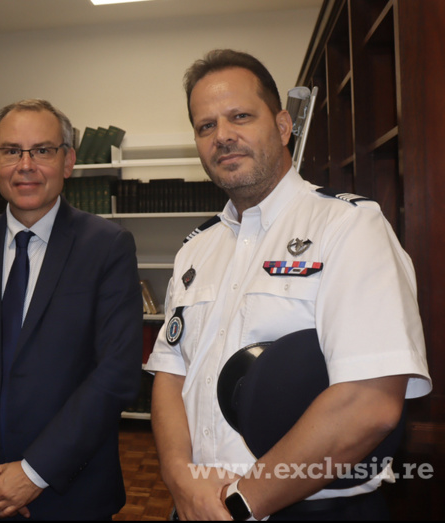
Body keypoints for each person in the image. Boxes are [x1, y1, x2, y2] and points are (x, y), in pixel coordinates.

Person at [145, 49, 432, 521]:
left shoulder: (349, 227)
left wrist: (241, 504)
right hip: (197, 507)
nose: (223, 136)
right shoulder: (196, 249)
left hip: (306, 510)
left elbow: (370, 402)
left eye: (240, 116)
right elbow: (171, 372)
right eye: (205, 126)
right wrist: (181, 481)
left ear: (282, 126)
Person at [0, 99, 142, 520]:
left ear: (68, 161)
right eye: (11, 151)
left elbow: (116, 374)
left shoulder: (108, 246)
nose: (26, 165)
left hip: (67, 494)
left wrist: (34, 472)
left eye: (42, 150)